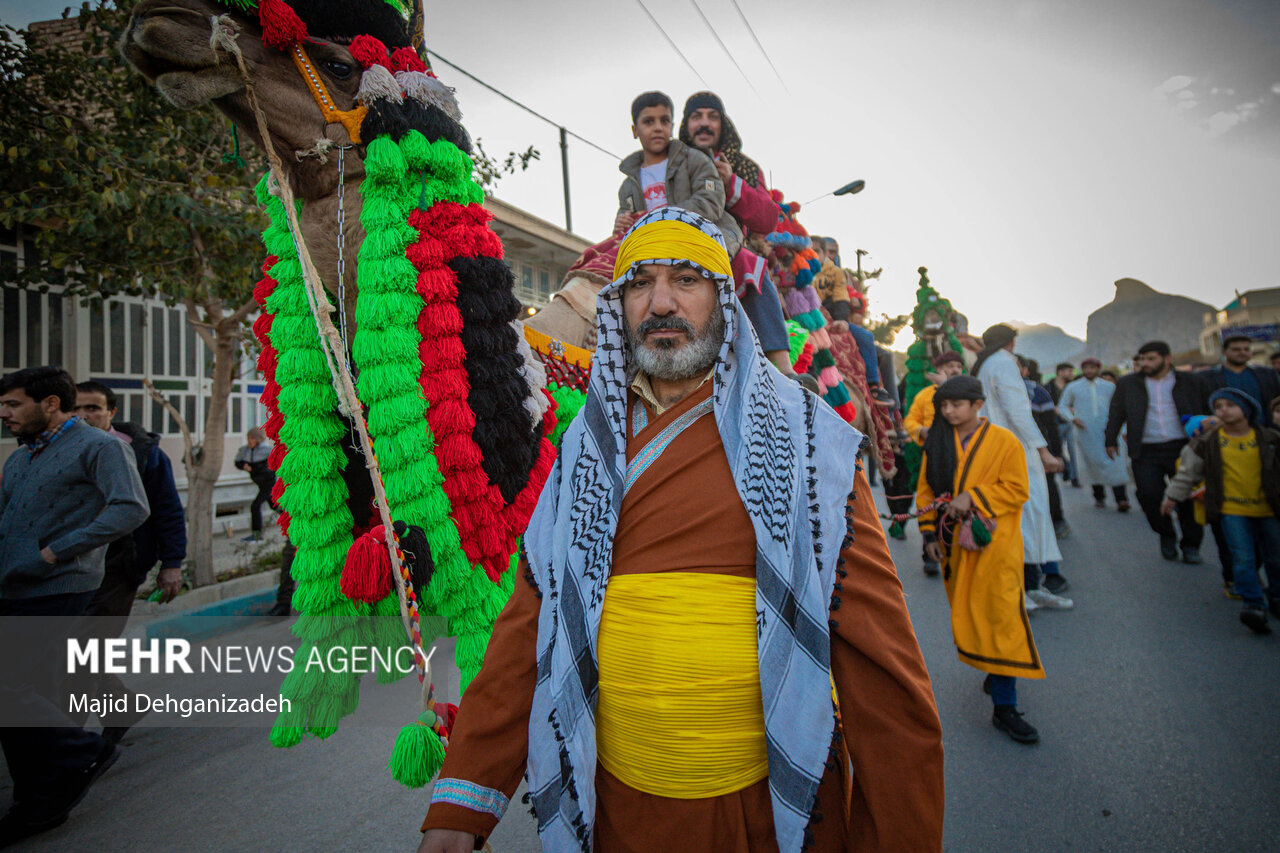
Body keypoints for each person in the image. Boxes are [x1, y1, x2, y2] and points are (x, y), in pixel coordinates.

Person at [417, 207, 945, 853]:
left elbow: (886, 680)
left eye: (687, 279)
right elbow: (533, 620)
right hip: (618, 813)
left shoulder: (803, 443)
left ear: (724, 301)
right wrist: (463, 800)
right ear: (619, 306)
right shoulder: (587, 444)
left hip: (768, 817)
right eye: (639, 283)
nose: (660, 302)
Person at [0, 366, 149, 843]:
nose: (4, 414)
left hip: (60, 584)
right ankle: (39, 798)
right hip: (15, 584)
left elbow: (131, 507)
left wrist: (56, 551)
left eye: (13, 404)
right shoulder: (20, 459)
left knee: (8, 686)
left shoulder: (99, 447)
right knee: (26, 692)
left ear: (49, 404)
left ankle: (81, 750)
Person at [917, 375, 1045, 743]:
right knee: (970, 612)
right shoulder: (938, 441)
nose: (949, 411)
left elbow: (1018, 489)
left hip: (996, 546)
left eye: (956, 404)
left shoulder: (1005, 442)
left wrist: (974, 497)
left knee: (1002, 616)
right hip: (954, 545)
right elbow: (925, 489)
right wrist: (928, 533)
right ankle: (994, 669)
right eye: (944, 406)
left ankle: (1005, 707)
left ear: (978, 404)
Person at [72, 380, 186, 742]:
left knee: (83, 650)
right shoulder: (61, 450)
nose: (83, 415)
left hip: (120, 565)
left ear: (111, 413)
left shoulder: (144, 453)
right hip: (69, 567)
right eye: (76, 408)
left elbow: (167, 509)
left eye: (92, 408)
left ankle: (61, 742)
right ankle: (119, 710)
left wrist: (172, 563)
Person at [677, 91, 794, 377]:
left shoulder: (744, 167)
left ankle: (783, 370)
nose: (704, 123)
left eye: (712, 117)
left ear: (723, 124)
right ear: (685, 125)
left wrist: (731, 183)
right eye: (696, 117)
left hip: (727, 251)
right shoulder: (671, 163)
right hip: (673, 241)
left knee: (750, 265)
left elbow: (768, 220)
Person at [1161, 388, 1280, 633]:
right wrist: (1172, 496)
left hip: (1268, 509)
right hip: (1231, 509)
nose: (1223, 410)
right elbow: (1187, 471)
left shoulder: (1269, 439)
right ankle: (1254, 605)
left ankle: (1276, 598)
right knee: (1243, 558)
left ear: (1246, 410)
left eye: (1230, 405)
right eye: (1218, 406)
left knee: (1275, 558)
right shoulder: (1207, 441)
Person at [972, 325, 1073, 605]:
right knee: (1023, 515)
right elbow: (1017, 411)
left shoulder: (985, 364)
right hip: (1012, 450)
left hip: (997, 448)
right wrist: (1044, 452)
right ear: (1012, 342)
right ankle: (1020, 588)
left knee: (1023, 516)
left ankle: (1031, 585)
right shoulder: (1003, 363)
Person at [1105, 340, 1210, 562]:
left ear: (1167, 359)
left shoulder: (1191, 381)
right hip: (1145, 450)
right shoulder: (1127, 384)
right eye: (1142, 359)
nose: (1145, 363)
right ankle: (1166, 534)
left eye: (1151, 358)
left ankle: (1191, 545)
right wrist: (1110, 439)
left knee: (1188, 497)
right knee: (1149, 496)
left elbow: (1207, 411)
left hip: (1184, 448)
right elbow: (1116, 412)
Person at [1058, 358, 1131, 511]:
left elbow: (1120, 409)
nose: (1089, 371)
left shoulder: (1109, 387)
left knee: (1115, 463)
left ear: (1098, 369)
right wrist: (1073, 419)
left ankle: (1121, 499)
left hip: (1109, 431)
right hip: (1086, 432)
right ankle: (1099, 497)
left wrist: (1123, 429)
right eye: (1086, 368)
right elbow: (1062, 406)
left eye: (1092, 368)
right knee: (1092, 463)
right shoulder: (1073, 387)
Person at [1020, 357, 1070, 539]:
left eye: (1016, 366)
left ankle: (1058, 521)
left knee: (1047, 484)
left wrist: (1055, 454)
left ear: (1026, 370)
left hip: (1040, 449)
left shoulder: (1039, 393)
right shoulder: (1000, 391)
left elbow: (1051, 426)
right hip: (1014, 451)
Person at [1200, 334, 1280, 412]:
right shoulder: (1208, 377)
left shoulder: (1267, 374)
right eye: (1236, 350)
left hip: (1263, 424)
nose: (1242, 352)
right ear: (1224, 351)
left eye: (1246, 349)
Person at [235, 427, 276, 542]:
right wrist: (243, 466)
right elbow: (238, 462)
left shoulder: (267, 451)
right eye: (248, 438)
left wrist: (254, 468)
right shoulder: (245, 451)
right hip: (260, 483)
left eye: (252, 438)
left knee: (255, 506)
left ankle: (257, 535)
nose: (250, 441)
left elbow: (271, 467)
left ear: (258, 439)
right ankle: (292, 521)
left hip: (269, 483)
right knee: (274, 506)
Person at [1048, 362, 1080, 485]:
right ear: (1060, 372)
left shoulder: (1073, 387)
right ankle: (1066, 469)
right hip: (1055, 424)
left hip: (1071, 423)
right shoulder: (1048, 387)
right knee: (1057, 450)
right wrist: (1057, 409)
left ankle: (1075, 477)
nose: (1071, 374)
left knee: (1074, 451)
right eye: (1069, 371)